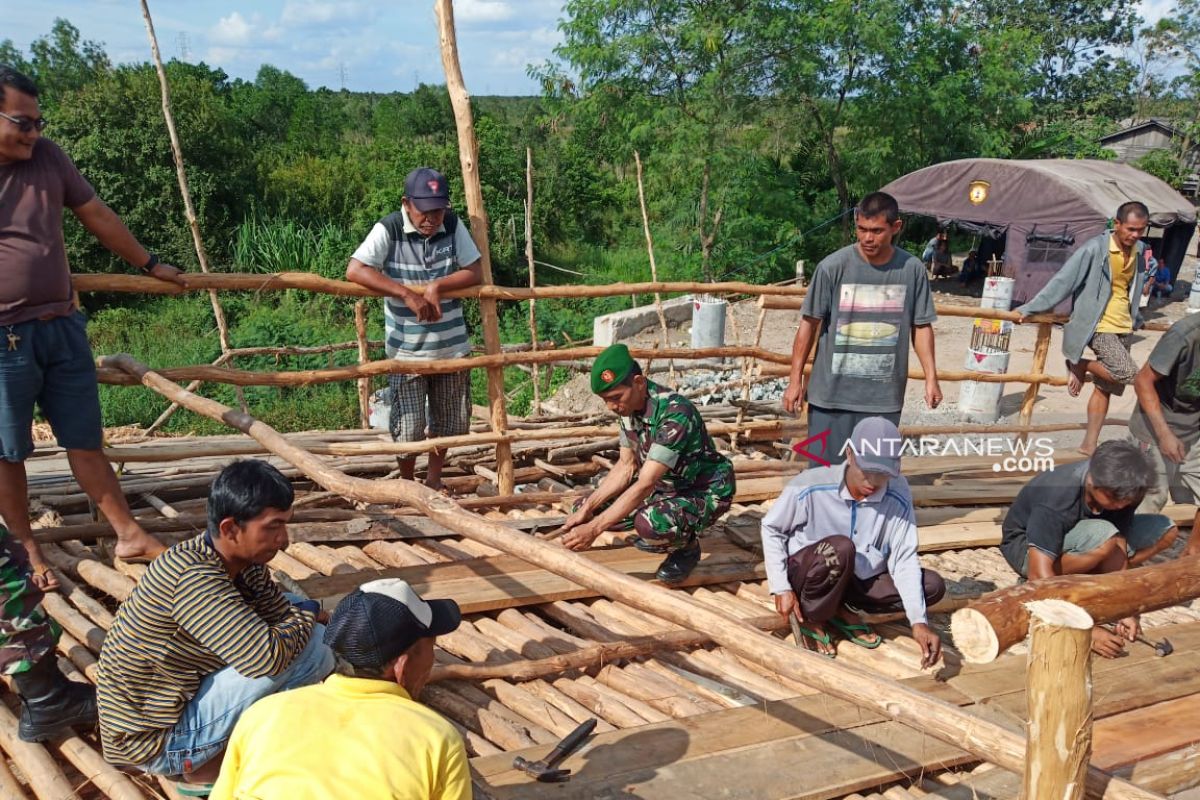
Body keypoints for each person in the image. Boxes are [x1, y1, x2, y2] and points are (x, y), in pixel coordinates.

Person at [0, 65, 182, 584]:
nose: (35, 132)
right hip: (4, 336)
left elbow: (95, 212)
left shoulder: (48, 156)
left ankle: (128, 534)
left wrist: (149, 264)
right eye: (23, 122)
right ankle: (27, 547)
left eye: (38, 121)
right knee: (8, 450)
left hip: (60, 324)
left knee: (84, 438)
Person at [97, 461, 335, 794]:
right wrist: (311, 612)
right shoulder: (194, 579)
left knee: (301, 626)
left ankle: (232, 741)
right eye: (273, 527)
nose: (284, 541)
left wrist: (301, 615)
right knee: (316, 647)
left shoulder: (239, 562)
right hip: (153, 740)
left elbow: (278, 611)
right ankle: (201, 766)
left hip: (173, 704)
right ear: (230, 528)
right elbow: (266, 659)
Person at [210, 579, 470, 800]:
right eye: (431, 648)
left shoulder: (261, 716)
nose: (432, 658)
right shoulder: (436, 739)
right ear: (401, 667)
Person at [760, 417, 943, 666]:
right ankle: (815, 616)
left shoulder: (898, 493)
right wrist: (781, 587)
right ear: (849, 454)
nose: (874, 483)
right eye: (867, 472)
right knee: (840, 548)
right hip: (811, 574)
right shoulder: (810, 485)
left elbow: (904, 557)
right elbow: (772, 528)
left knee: (931, 586)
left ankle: (841, 608)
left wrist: (918, 622)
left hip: (857, 580)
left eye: (883, 475)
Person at [345, 167, 483, 490]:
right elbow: (355, 269)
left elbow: (474, 270)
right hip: (406, 350)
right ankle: (407, 485)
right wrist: (405, 292)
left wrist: (438, 286)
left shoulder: (452, 225)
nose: (431, 219)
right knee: (408, 426)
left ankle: (434, 482)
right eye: (424, 211)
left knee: (448, 423)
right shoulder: (389, 228)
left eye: (438, 210)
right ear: (407, 204)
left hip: (450, 349)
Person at [782, 192, 941, 464]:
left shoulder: (911, 270)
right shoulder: (832, 267)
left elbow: (921, 326)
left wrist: (931, 377)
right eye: (862, 229)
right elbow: (808, 324)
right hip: (830, 397)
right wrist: (795, 380)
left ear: (896, 227)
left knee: (875, 475)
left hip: (883, 399)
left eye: (877, 231)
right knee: (823, 475)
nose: (868, 238)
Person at [558, 344, 736, 584]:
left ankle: (686, 548)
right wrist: (587, 509)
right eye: (605, 400)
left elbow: (645, 482)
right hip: (664, 489)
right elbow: (625, 466)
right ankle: (659, 528)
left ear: (639, 383)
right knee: (583, 508)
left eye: (616, 398)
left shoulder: (675, 413)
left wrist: (595, 529)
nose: (611, 407)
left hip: (702, 491)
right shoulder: (628, 411)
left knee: (650, 524)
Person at [999, 440, 1177, 658]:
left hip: (1089, 537)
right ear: (1093, 483)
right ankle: (1069, 579)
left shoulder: (1124, 490)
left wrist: (1125, 608)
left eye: (1127, 500)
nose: (1122, 505)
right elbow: (1039, 574)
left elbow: (1119, 542)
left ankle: (1088, 572)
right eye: (1114, 499)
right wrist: (1087, 631)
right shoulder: (1058, 497)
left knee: (1164, 529)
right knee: (1103, 535)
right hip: (1025, 549)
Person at [1014, 202, 1152, 455]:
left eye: (1140, 230)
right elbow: (1064, 281)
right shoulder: (1094, 250)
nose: (1135, 235)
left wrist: (1137, 316)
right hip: (1098, 325)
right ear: (1117, 224)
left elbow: (1129, 289)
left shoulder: (1139, 250)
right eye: (1131, 229)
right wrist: (1030, 308)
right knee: (1130, 374)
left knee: (1104, 387)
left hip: (1124, 325)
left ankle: (1089, 444)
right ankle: (1079, 364)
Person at [1131, 313, 1200, 556]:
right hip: (1154, 424)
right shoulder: (1184, 335)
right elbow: (1142, 381)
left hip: (1193, 426)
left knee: (1190, 498)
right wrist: (1164, 435)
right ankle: (1126, 560)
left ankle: (1190, 556)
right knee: (1151, 499)